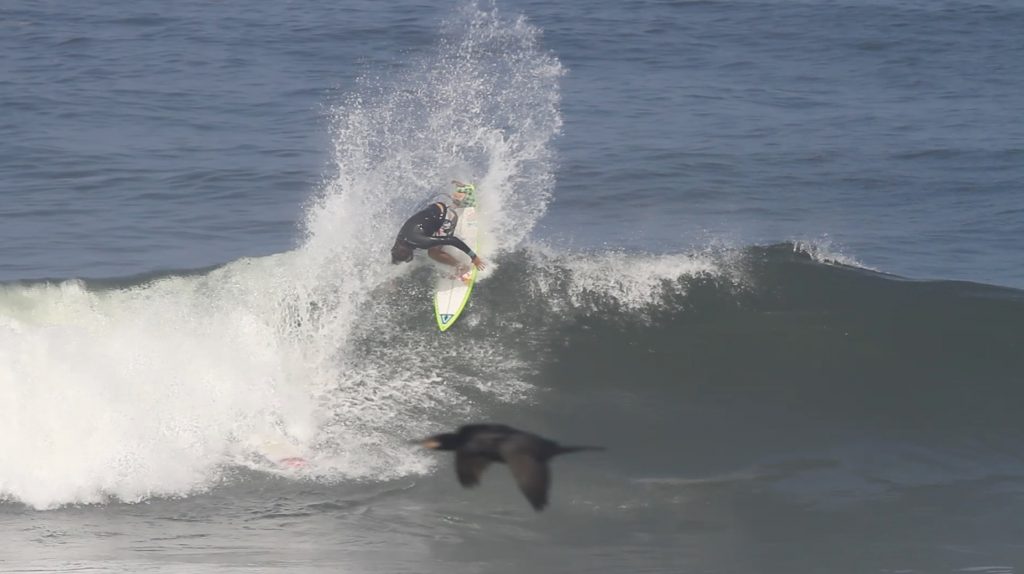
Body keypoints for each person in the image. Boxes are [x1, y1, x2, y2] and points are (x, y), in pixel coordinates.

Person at [390, 182, 486, 280]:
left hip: (444, 215)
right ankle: (459, 196)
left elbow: (453, 240)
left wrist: (474, 257)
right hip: (434, 207)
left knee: (433, 253)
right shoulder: (400, 239)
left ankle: (462, 267)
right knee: (432, 233)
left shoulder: (421, 242)